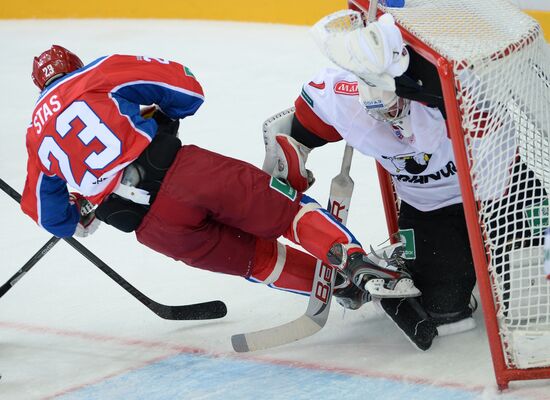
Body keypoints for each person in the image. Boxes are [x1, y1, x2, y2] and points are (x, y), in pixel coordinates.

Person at [20, 45, 420, 314]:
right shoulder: (97, 73)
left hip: (156, 230)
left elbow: (50, 216)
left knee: (257, 260)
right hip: (188, 176)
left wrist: (78, 215)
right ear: (74, 64)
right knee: (287, 214)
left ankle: (339, 286)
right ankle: (352, 262)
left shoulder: (36, 136)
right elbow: (186, 88)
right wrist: (163, 114)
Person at [261, 13, 479, 350]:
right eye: (378, 113)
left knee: (528, 290)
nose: (389, 121)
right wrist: (289, 155)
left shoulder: (454, 86)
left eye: (394, 109)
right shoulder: (341, 95)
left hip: (495, 196)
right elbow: (294, 129)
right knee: (446, 313)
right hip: (429, 208)